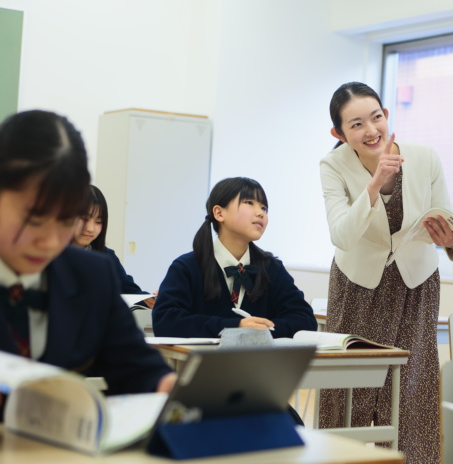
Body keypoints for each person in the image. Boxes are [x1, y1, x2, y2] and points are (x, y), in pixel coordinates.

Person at [319, 82, 453, 463]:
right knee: (350, 387)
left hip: (416, 282)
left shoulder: (425, 156)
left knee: (412, 388)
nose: (371, 130)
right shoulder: (332, 166)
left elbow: (444, 218)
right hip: (358, 283)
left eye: (377, 117)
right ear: (339, 133)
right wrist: (375, 182)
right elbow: (342, 236)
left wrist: (449, 238)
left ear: (386, 115)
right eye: (356, 124)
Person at [0, 109, 175, 396]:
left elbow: (138, 368)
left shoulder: (90, 275)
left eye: (67, 221)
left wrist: (166, 386)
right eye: (34, 219)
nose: (50, 242)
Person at [152, 177, 317, 339]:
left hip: (260, 364)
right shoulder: (187, 267)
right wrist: (235, 327)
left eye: (264, 208)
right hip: (205, 363)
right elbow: (166, 321)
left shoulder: (271, 268)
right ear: (219, 213)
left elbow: (305, 320)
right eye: (249, 203)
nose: (260, 213)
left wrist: (263, 330)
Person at [71, 184, 156, 309]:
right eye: (84, 219)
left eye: (98, 222)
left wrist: (151, 299)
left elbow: (131, 293)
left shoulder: (106, 257)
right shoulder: (48, 257)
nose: (90, 228)